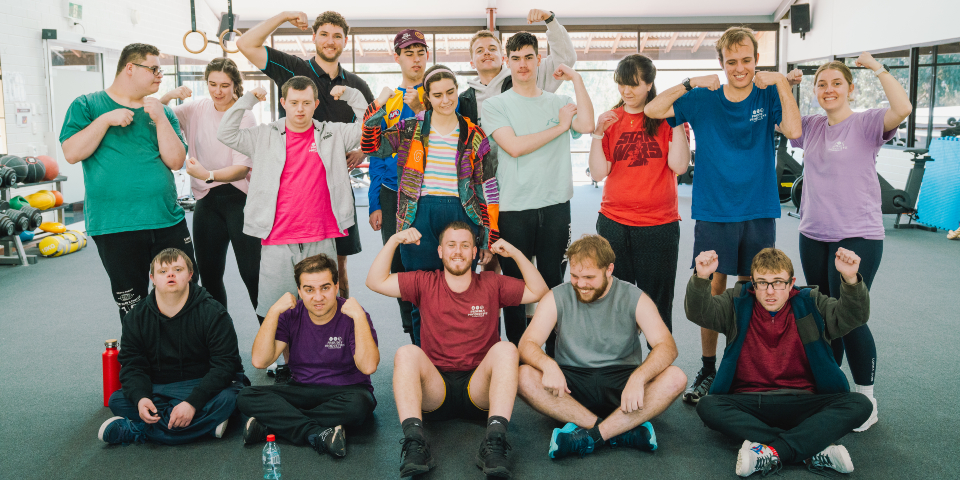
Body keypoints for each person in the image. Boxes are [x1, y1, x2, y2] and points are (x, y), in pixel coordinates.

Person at [644, 27, 802, 403]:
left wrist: (781, 81)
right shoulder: (703, 98)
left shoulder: (767, 92)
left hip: (759, 207)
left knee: (753, 289)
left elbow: (794, 129)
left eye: (747, 60)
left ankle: (744, 365)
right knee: (714, 287)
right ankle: (709, 367)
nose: (740, 68)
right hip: (715, 208)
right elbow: (653, 109)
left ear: (756, 60)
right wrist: (689, 82)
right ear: (721, 63)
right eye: (732, 62)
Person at [365, 222, 549, 478]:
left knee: (507, 349)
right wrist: (394, 240)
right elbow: (374, 281)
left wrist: (516, 253)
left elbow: (539, 291)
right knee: (406, 353)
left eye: (465, 245)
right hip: (435, 390)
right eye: (451, 245)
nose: (458, 251)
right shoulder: (424, 282)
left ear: (475, 252)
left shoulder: (491, 283)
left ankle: (494, 442)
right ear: (440, 251)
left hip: (479, 390)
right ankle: (415, 443)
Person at [788, 52, 911, 432]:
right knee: (824, 317)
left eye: (836, 83)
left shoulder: (868, 123)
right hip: (814, 234)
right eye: (821, 84)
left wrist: (877, 67)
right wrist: (785, 86)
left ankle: (866, 399)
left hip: (858, 234)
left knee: (851, 317)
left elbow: (902, 107)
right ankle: (831, 390)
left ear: (850, 89)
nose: (828, 89)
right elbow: (785, 125)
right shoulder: (809, 126)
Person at [218, 77, 365, 383]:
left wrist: (350, 94)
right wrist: (246, 100)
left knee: (319, 305)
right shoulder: (265, 135)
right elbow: (226, 132)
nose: (300, 109)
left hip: (320, 236)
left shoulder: (331, 133)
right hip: (278, 237)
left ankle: (318, 361)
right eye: (294, 103)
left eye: (307, 103)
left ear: (315, 104)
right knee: (280, 306)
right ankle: (288, 362)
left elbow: (368, 128)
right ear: (283, 103)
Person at [686, 247, 873, 477]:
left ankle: (771, 450)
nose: (770, 291)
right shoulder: (738, 301)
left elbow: (855, 316)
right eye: (762, 283)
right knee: (708, 406)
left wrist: (851, 279)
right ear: (752, 283)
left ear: (791, 282)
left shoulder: (811, 302)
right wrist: (702, 277)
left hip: (806, 401)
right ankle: (810, 449)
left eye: (778, 282)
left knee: (861, 404)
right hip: (751, 402)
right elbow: (699, 312)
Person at [237, 10, 375, 300]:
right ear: (313, 37)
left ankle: (339, 336)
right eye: (324, 34)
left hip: (333, 191)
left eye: (337, 35)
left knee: (336, 271)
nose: (330, 40)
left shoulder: (357, 86)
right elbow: (246, 44)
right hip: (288, 193)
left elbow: (373, 127)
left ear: (345, 42)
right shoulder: (293, 68)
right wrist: (284, 16)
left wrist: (361, 150)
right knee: (289, 280)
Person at [361, 64, 500, 345]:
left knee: (461, 289)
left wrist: (488, 235)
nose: (446, 100)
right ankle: (421, 354)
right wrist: (379, 103)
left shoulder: (475, 134)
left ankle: (458, 352)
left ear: (457, 92)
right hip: (418, 213)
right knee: (419, 292)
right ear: (427, 97)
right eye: (438, 95)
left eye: (451, 92)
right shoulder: (410, 128)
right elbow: (371, 146)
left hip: (462, 213)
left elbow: (487, 187)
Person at [517, 235, 687, 459]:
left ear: (609, 270)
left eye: (589, 277)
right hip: (571, 386)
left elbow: (667, 347)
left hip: (624, 385)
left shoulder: (635, 297)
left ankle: (591, 434)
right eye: (575, 276)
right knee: (522, 376)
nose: (581, 284)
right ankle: (619, 430)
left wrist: (639, 378)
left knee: (676, 377)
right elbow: (526, 344)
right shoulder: (556, 296)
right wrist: (547, 364)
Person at [60, 43, 194, 320]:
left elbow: (176, 161)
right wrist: (106, 120)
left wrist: (159, 117)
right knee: (133, 303)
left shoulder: (162, 112)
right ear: (130, 68)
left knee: (185, 294)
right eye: (154, 69)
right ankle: (141, 361)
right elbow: (72, 153)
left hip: (165, 219)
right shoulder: (87, 105)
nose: (159, 76)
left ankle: (187, 358)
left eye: (161, 70)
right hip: (115, 224)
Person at [482, 32, 595, 350]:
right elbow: (514, 147)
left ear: (539, 60)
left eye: (529, 57)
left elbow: (586, 126)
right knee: (515, 286)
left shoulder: (560, 102)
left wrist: (575, 78)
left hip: (556, 206)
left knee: (553, 282)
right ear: (507, 62)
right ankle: (518, 351)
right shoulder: (495, 105)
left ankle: (554, 351)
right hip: (514, 208)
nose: (522, 64)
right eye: (515, 58)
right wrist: (559, 127)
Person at [237, 254, 378, 458]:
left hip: (346, 392)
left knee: (359, 406)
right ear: (299, 291)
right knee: (245, 396)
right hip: (301, 389)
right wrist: (274, 311)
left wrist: (358, 318)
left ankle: (274, 426)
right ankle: (318, 432)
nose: (318, 297)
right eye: (309, 290)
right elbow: (260, 361)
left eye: (325, 287)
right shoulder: (291, 314)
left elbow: (368, 366)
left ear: (336, 286)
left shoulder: (354, 315)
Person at [588, 54, 690, 334]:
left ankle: (658, 369)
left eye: (633, 85)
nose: (626, 91)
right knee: (612, 301)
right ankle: (617, 368)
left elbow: (679, 166)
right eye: (621, 84)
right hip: (614, 222)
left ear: (649, 84)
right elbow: (598, 173)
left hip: (659, 225)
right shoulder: (611, 119)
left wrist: (677, 119)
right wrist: (598, 133)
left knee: (657, 304)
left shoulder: (669, 121)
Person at [99, 249, 244, 445]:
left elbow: (226, 365)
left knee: (230, 399)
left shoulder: (213, 313)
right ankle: (205, 426)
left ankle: (140, 430)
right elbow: (133, 366)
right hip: (160, 387)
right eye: (163, 271)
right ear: (152, 278)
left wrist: (193, 403)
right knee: (118, 400)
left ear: (190, 275)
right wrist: (142, 399)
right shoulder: (136, 318)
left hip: (203, 383)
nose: (171, 274)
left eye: (178, 269)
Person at [158, 58, 261, 319]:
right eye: (212, 84)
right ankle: (219, 342)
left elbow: (241, 169)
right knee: (209, 276)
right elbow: (159, 111)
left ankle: (275, 345)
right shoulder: (196, 108)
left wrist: (208, 174)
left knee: (253, 275)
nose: (218, 91)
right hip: (207, 201)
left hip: (240, 199)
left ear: (236, 85)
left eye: (225, 85)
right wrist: (170, 94)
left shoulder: (244, 114)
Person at [364, 28, 431, 343]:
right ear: (397, 57)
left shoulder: (440, 94)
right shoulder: (388, 101)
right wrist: (375, 200)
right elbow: (375, 153)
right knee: (399, 264)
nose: (415, 59)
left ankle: (436, 330)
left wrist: (422, 109)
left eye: (420, 53)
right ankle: (412, 334)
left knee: (430, 260)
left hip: (429, 191)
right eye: (409, 53)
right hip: (392, 193)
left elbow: (448, 141)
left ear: (427, 56)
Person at [458, 9, 577, 125]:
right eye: (480, 50)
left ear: (504, 58)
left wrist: (550, 20)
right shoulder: (464, 100)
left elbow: (565, 58)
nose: (487, 52)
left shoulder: (526, 76)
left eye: (492, 48)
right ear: (472, 63)